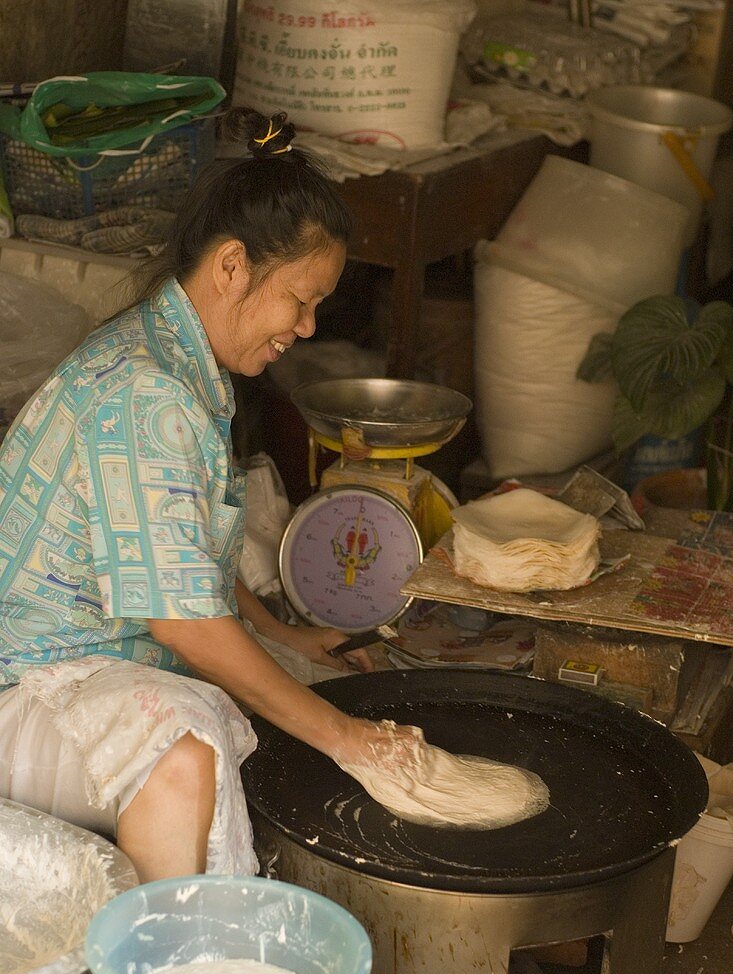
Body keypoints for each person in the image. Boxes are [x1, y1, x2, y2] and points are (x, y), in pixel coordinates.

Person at [0, 108, 419, 882]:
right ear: (232, 266)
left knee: (308, 693)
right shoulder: (146, 391)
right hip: (26, 690)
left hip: (95, 666)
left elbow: (176, 556)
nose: (307, 324)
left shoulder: (178, 361)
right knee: (188, 739)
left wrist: (282, 642)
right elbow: (184, 622)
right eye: (301, 298)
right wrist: (348, 741)